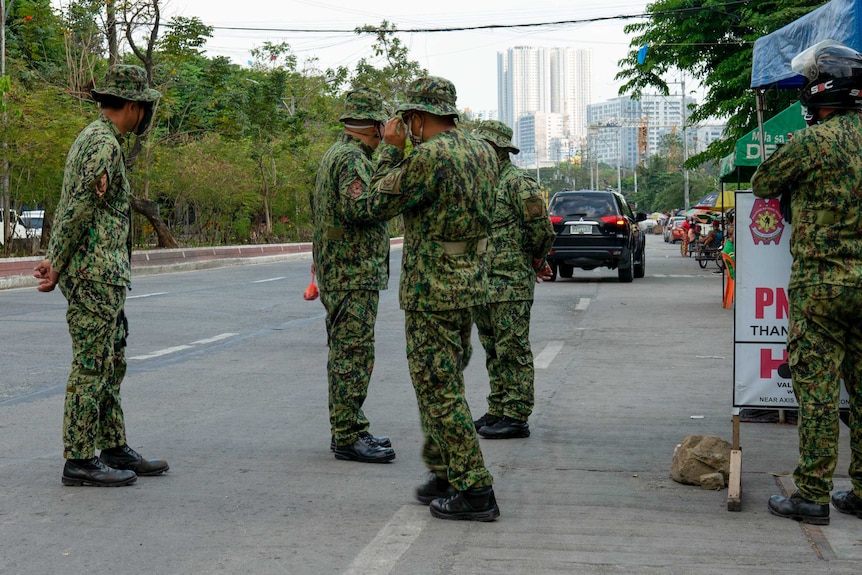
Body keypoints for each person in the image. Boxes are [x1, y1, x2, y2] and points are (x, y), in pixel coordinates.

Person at [366, 76, 500, 521]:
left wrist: (389, 148)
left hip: (433, 290)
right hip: (470, 282)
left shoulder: (428, 157)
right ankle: (446, 472)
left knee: (439, 391)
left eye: (407, 120)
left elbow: (374, 201)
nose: (404, 126)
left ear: (419, 118)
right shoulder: (482, 150)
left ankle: (475, 490)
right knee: (447, 384)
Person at [32, 65, 168, 487]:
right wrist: (54, 262)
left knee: (111, 362)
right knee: (91, 366)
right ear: (131, 105)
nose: (146, 115)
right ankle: (79, 459)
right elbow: (77, 208)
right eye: (144, 107)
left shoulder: (101, 139)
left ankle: (113, 446)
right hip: (93, 274)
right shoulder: (102, 144)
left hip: (103, 273)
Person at [752, 40, 862, 525]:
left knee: (816, 392)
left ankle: (813, 494)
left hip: (820, 289)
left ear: (821, 92)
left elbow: (762, 183)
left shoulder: (812, 142)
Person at [310, 87, 396, 463]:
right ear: (374, 126)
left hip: (343, 268)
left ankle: (349, 427)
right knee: (352, 353)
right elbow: (363, 208)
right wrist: (394, 158)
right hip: (352, 270)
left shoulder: (337, 154)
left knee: (348, 351)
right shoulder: (352, 159)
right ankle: (348, 434)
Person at [470, 120, 555, 439]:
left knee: (512, 347)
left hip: (509, 282)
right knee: (491, 347)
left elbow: (542, 232)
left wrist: (537, 261)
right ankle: (498, 408)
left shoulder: (520, 183)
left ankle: (516, 415)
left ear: (500, 150)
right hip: (480, 282)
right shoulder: (477, 183)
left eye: (486, 147)